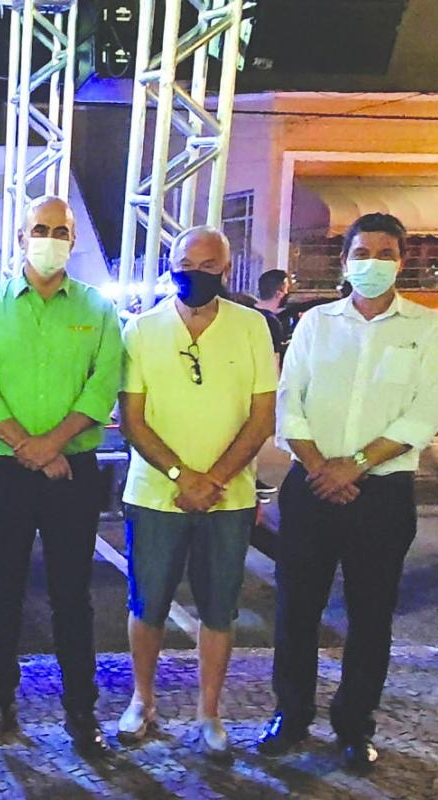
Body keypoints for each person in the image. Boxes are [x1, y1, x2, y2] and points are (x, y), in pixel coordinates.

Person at [259, 213, 438, 774]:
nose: (372, 262)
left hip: (383, 494)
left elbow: (425, 412)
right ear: (345, 259)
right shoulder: (316, 324)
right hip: (311, 487)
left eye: (384, 251)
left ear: (402, 259)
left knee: (371, 616)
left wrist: (357, 466)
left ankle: (353, 726)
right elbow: (289, 403)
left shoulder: (425, 328)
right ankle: (290, 716)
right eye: (361, 251)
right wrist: (321, 467)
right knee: (296, 609)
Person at [0, 195, 125, 757]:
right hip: (5, 469)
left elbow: (103, 385)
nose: (49, 238)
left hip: (70, 471)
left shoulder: (98, 310)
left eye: (60, 230)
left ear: (73, 241)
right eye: (40, 228)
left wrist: (51, 445)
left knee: (72, 596)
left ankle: (81, 712)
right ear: (22, 236)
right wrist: (27, 448)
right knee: (0, 593)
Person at [115, 228, 277, 756]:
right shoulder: (140, 329)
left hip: (229, 499)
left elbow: (261, 417)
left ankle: (210, 712)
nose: (197, 273)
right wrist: (183, 477)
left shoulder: (253, 328)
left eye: (209, 265)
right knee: (148, 604)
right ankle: (142, 700)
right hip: (156, 494)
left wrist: (216, 479)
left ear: (226, 271)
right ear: (169, 263)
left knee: (218, 608)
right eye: (186, 263)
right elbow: (132, 420)